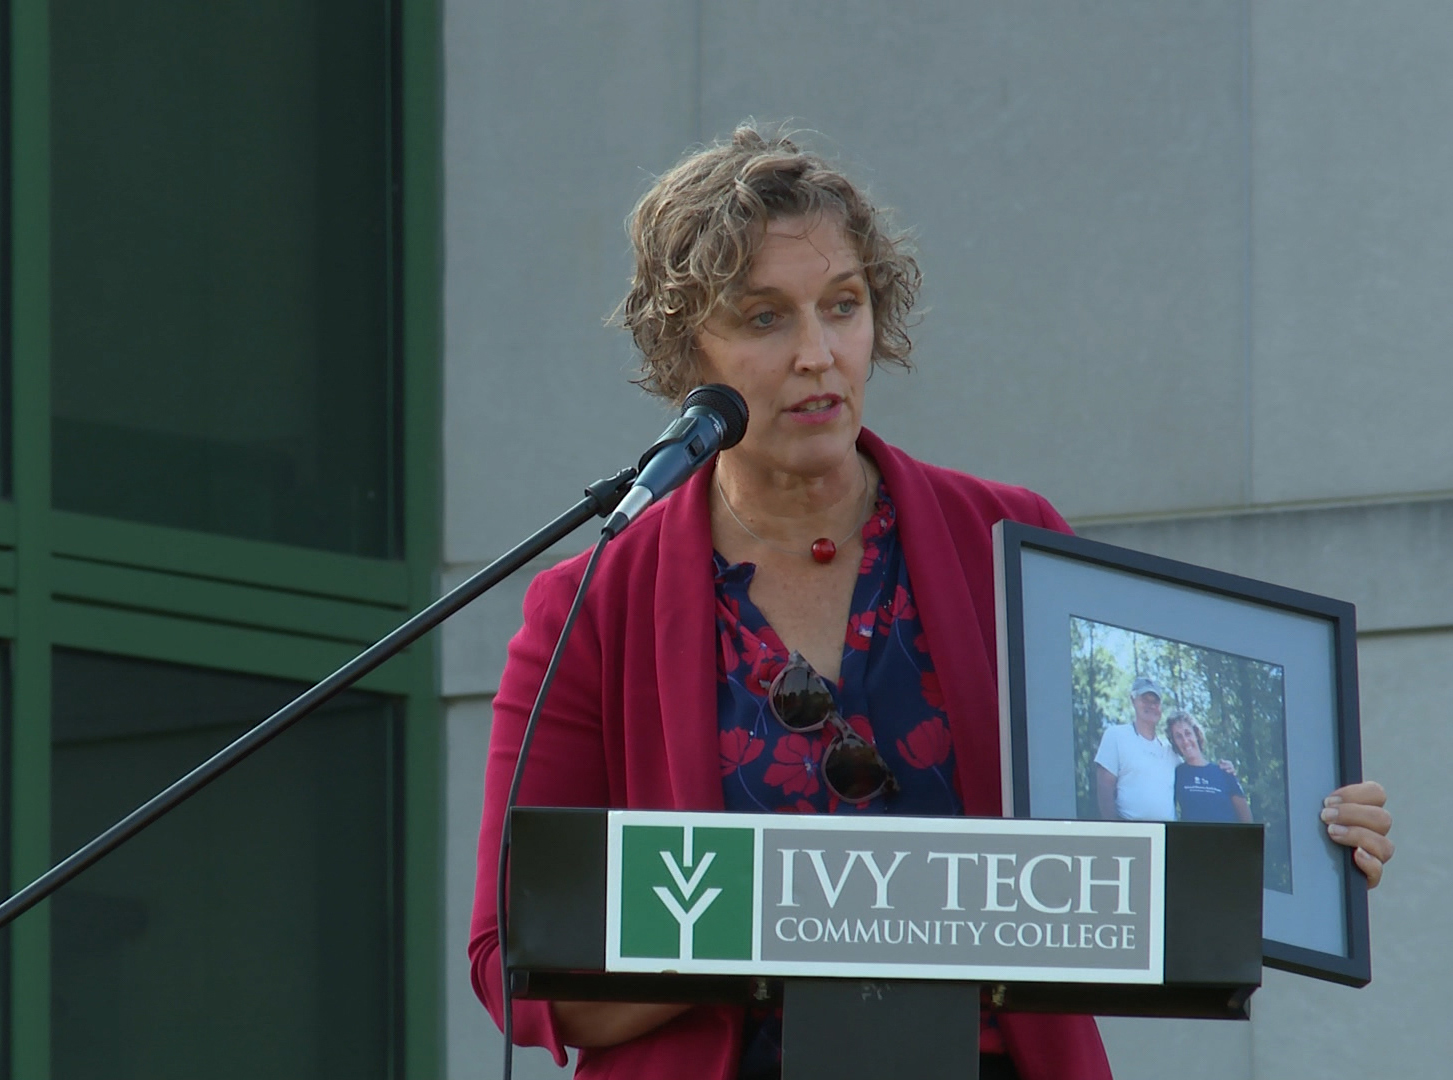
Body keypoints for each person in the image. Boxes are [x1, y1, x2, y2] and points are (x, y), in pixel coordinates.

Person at [468, 124, 1396, 1080]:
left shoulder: (1008, 541)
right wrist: (791, 920)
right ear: (683, 350)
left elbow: (1125, 855)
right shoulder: (587, 607)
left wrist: (1304, 837)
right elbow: (512, 964)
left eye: (843, 306)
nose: (819, 354)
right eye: (763, 318)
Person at [1093, 676, 1181, 821]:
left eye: (1155, 701)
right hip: (1133, 834)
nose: (1151, 705)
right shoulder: (1116, 735)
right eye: (1145, 699)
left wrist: (1224, 770)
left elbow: (1193, 769)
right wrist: (1114, 832)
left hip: (1168, 834)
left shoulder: (1170, 750)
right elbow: (1105, 788)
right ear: (1133, 700)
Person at [1166, 711, 1252, 823]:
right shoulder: (1177, 773)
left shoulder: (1224, 771)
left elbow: (1246, 818)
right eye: (1178, 736)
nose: (1185, 741)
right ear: (1174, 742)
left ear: (1196, 734)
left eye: (1188, 733)